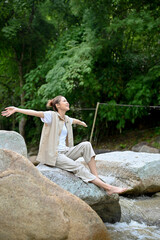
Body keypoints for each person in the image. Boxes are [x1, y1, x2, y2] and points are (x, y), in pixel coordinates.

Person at [1, 95, 128, 195]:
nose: (67, 102)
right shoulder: (51, 116)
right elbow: (35, 112)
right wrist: (17, 109)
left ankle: (95, 177)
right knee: (79, 168)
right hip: (54, 155)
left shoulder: (66, 118)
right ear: (57, 105)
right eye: (64, 101)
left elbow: (73, 120)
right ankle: (109, 188)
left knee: (86, 145)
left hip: (65, 152)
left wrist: (81, 122)